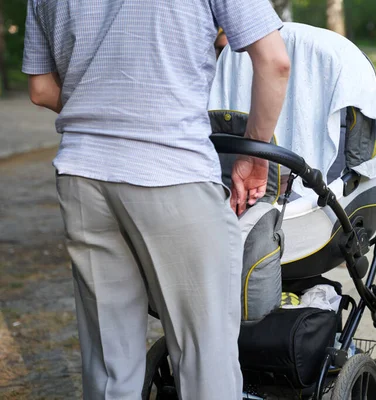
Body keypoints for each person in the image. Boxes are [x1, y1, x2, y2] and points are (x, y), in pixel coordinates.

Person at [22, 0, 290, 399]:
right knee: (205, 355)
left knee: (110, 367)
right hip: (170, 169)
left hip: (83, 173)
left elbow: (42, 89)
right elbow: (274, 61)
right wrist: (253, 155)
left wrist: (99, 109)